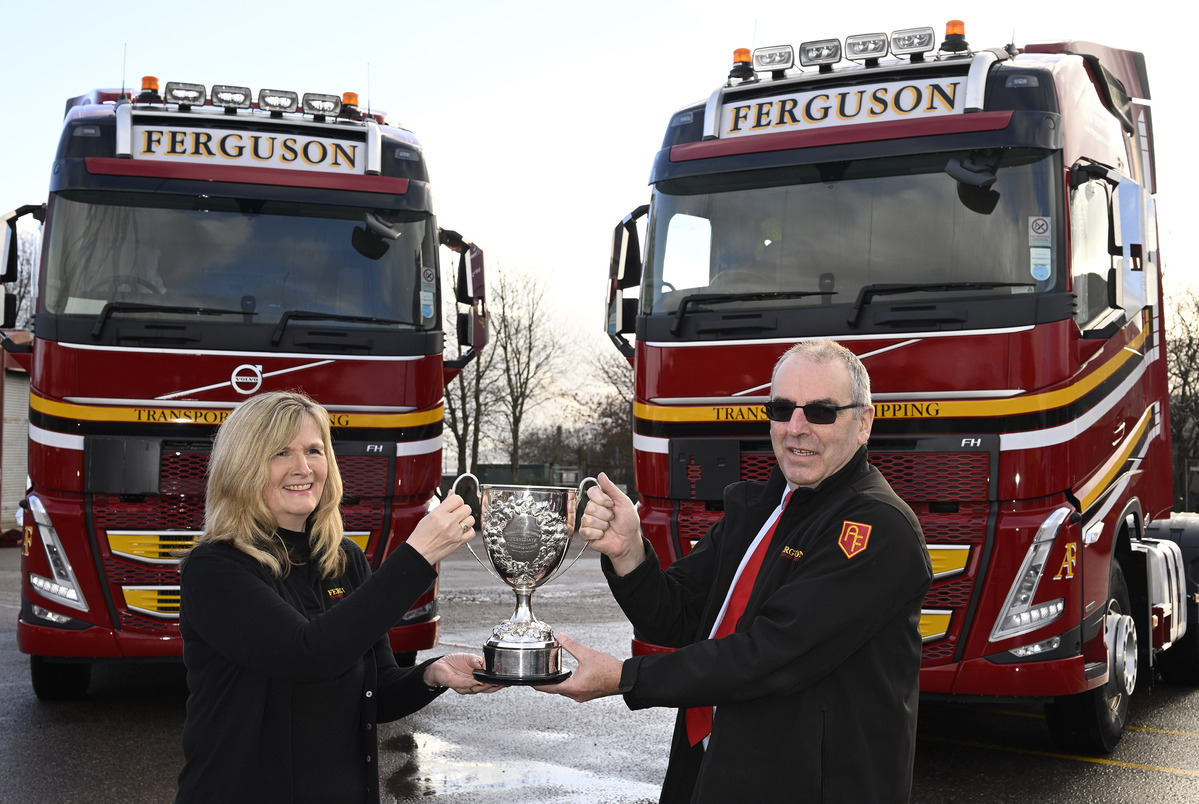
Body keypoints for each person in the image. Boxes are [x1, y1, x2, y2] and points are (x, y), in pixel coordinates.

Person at [537, 340, 933, 803]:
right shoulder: (760, 508)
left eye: (821, 412)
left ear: (863, 422)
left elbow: (769, 654)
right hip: (717, 767)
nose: (796, 428)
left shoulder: (876, 526)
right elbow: (679, 617)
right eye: (781, 409)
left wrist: (626, 677)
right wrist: (629, 554)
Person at [176, 391, 500, 804]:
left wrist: (433, 674)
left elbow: (374, 691)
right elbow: (307, 654)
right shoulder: (215, 567)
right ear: (242, 467)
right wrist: (416, 558)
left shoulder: (343, 558)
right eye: (280, 453)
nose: (303, 467)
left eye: (314, 450)